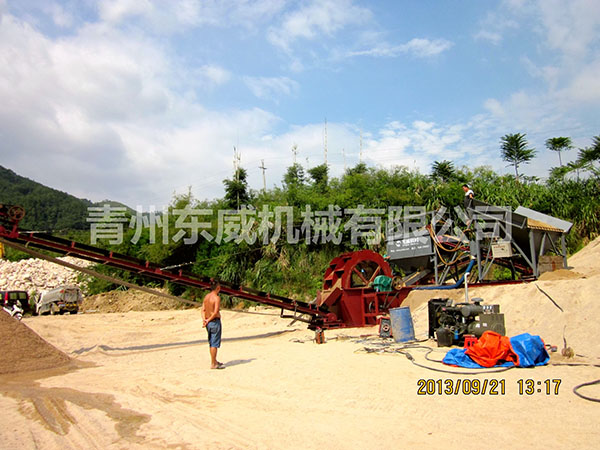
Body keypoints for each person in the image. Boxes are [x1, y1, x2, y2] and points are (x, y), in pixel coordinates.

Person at [202, 281, 224, 369]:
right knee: (214, 343)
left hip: (208, 322)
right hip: (214, 322)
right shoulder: (216, 298)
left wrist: (205, 320)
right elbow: (215, 312)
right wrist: (208, 320)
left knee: (211, 342)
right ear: (217, 288)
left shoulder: (206, 297)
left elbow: (203, 310)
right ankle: (213, 364)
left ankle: (214, 360)